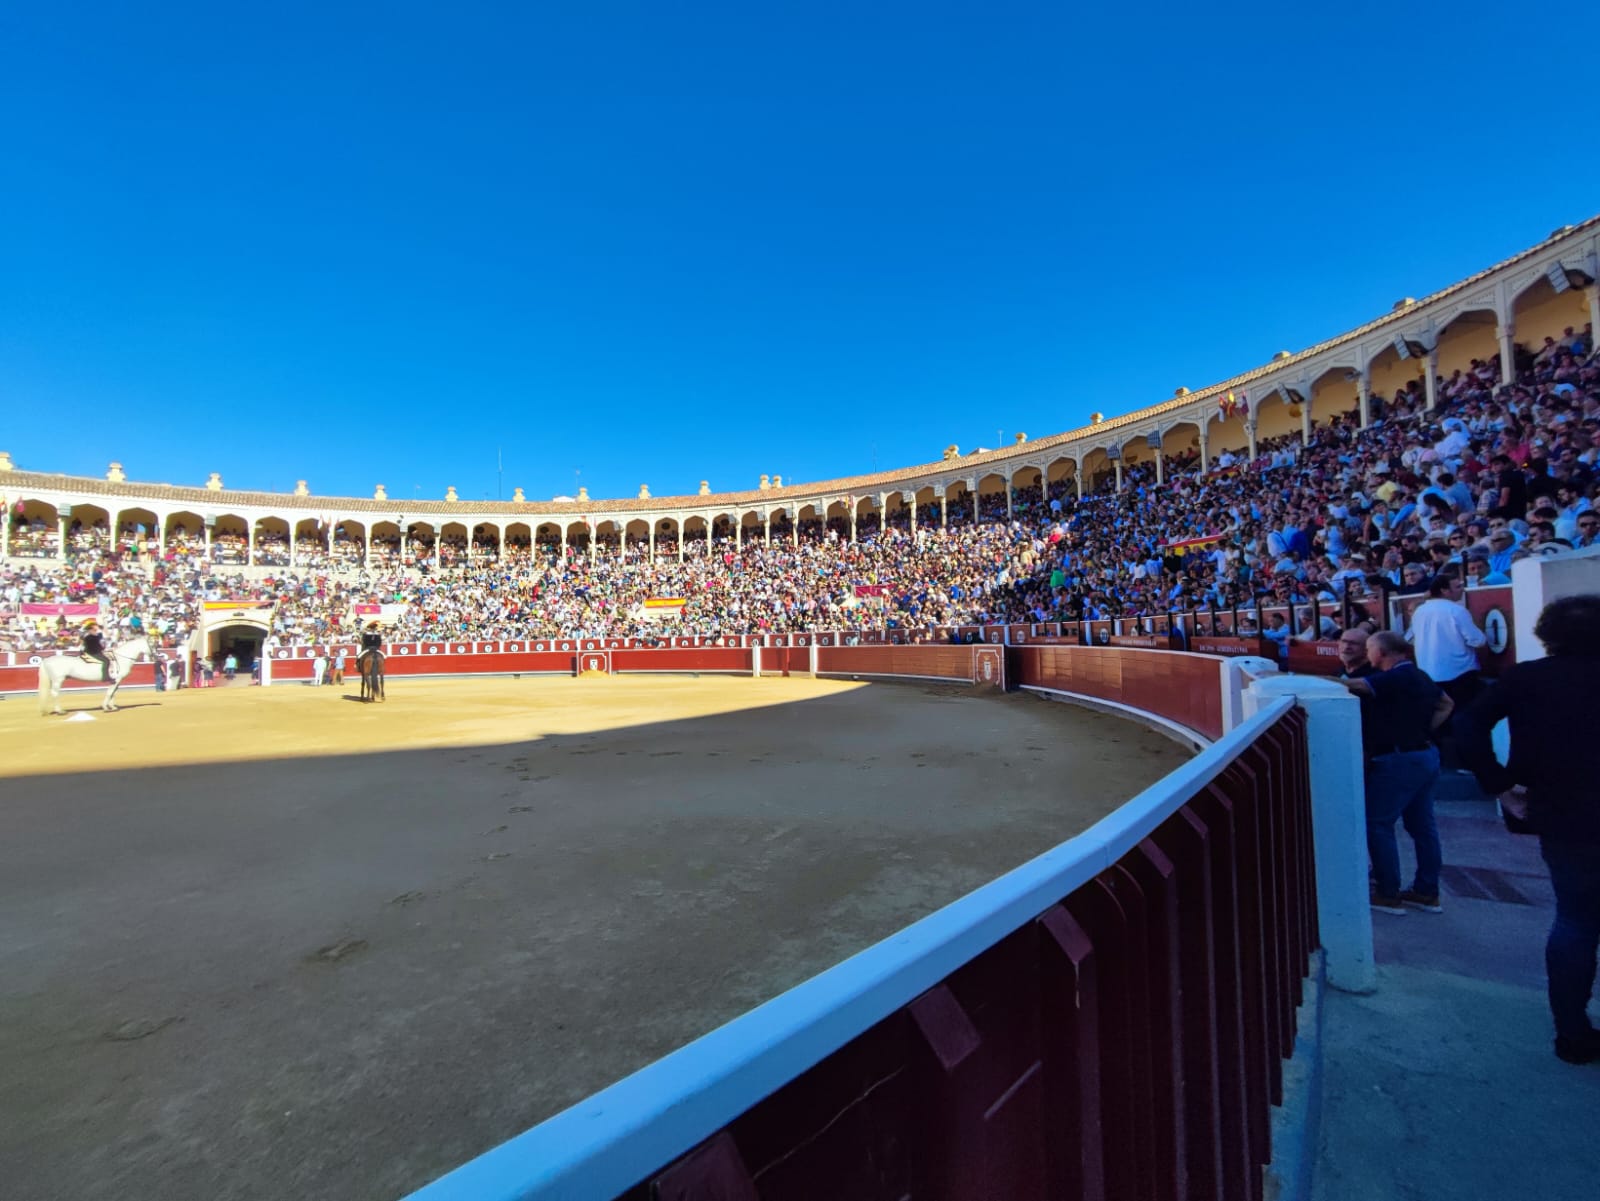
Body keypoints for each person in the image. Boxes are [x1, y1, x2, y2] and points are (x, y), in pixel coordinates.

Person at [1458, 596, 1600, 1065]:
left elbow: (1467, 727)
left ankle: (1572, 1035)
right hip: (1567, 811)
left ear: (1547, 634)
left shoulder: (1526, 677)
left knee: (1576, 920)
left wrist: (1498, 784)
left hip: (1562, 812)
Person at [1342, 630, 1454, 916]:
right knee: (1422, 826)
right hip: (1424, 753)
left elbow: (1356, 685)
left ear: (1381, 652)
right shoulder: (1419, 675)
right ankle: (1426, 892)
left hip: (1400, 757)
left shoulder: (1396, 676)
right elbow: (1447, 704)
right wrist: (1423, 731)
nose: (1367, 654)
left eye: (1369, 648)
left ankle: (1388, 893)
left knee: (1378, 824)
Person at [1405, 571, 1487, 713]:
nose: (1461, 589)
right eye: (1457, 586)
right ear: (1444, 590)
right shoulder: (1457, 611)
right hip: (1460, 674)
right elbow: (1477, 641)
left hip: (1429, 673)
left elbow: (1411, 639)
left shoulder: (1419, 612)